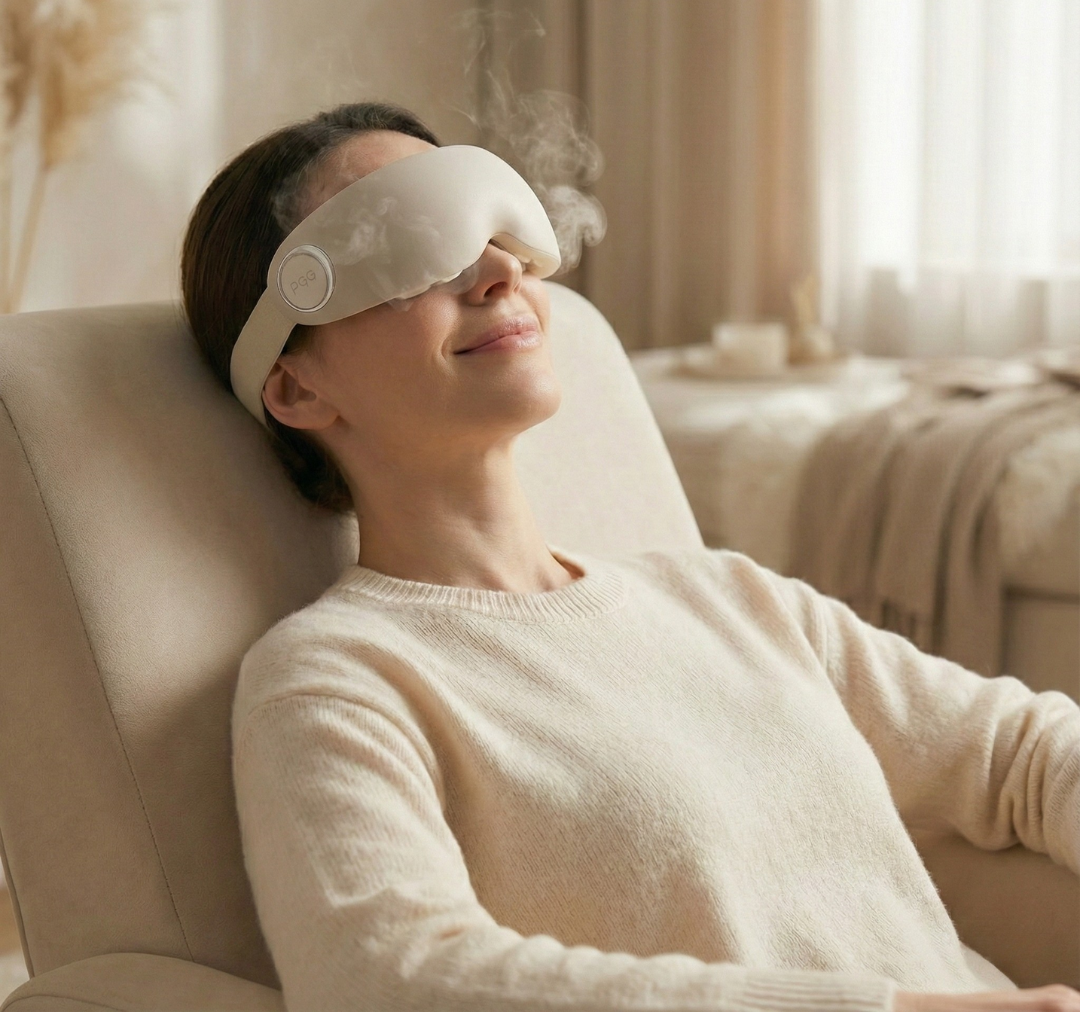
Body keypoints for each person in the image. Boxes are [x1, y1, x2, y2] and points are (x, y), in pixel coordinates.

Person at [181, 102, 1080, 1012]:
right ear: (296, 388)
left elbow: (1026, 754)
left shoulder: (725, 597)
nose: (498, 271)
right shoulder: (337, 682)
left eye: (491, 228)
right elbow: (384, 975)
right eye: (409, 246)